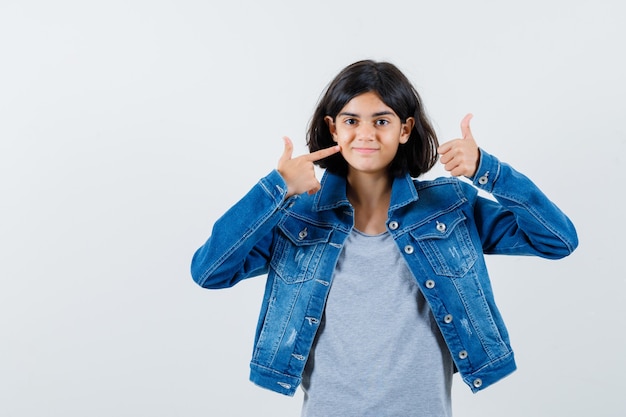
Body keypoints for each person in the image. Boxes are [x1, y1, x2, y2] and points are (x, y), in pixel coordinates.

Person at [190, 60, 578, 416]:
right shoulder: (297, 218)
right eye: (351, 121)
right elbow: (209, 271)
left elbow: (557, 240)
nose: (365, 135)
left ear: (405, 129)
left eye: (381, 121)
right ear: (332, 128)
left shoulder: (449, 206)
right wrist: (276, 189)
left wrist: (487, 170)